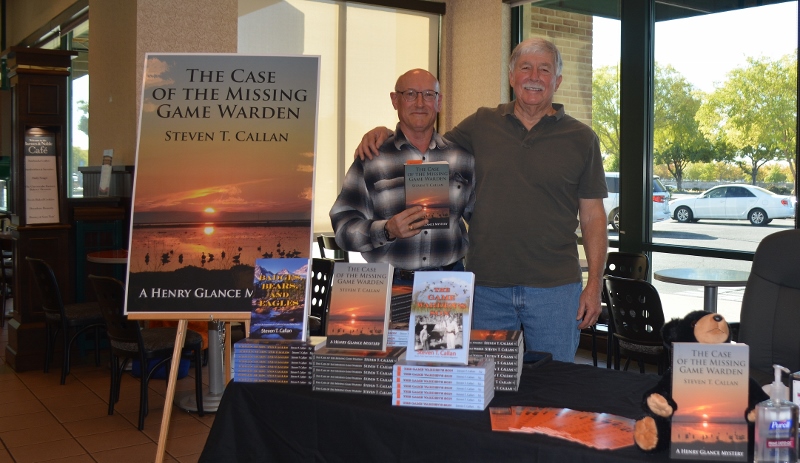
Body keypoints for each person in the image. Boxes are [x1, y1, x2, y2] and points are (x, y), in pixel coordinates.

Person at [355, 38, 608, 362]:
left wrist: (594, 284)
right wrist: (382, 132)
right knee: (488, 387)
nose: (534, 76)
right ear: (511, 76)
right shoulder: (481, 125)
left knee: (553, 386)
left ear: (557, 80)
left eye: (544, 69)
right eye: (525, 67)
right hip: (486, 288)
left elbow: (593, 217)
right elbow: (426, 144)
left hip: (555, 290)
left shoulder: (582, 138)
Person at [330, 69, 475, 278]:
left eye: (428, 94)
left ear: (439, 102)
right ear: (394, 100)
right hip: (389, 286)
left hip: (448, 285)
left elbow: (482, 223)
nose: (419, 103)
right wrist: (386, 230)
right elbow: (343, 230)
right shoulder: (372, 159)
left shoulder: (462, 159)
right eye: (410, 94)